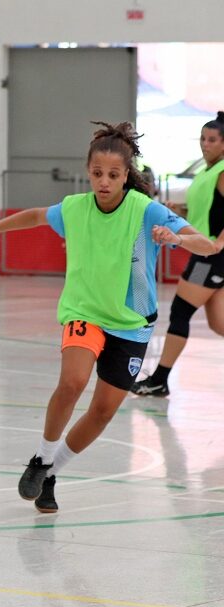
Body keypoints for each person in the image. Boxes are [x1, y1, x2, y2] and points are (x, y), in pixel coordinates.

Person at [0, 121, 219, 514]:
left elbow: (207, 245)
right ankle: (41, 458)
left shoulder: (146, 211)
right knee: (73, 380)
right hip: (83, 313)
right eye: (97, 174)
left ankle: (52, 473)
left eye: (113, 174)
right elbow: (31, 217)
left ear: (127, 175)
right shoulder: (75, 208)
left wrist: (177, 239)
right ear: (88, 172)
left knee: (102, 411)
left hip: (131, 324)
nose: (104, 182)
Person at [131, 112, 224, 397]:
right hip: (205, 252)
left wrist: (219, 243)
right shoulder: (207, 172)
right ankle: (160, 379)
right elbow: (209, 213)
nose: (204, 144)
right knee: (218, 323)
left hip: (210, 256)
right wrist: (179, 212)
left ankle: (160, 378)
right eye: (202, 138)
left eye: (211, 140)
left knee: (181, 310)